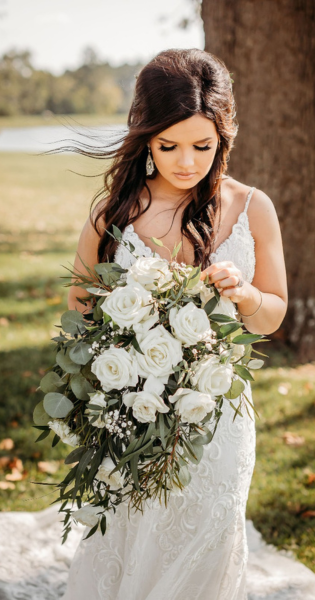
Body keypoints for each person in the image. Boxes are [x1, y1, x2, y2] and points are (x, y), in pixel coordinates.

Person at [63, 48, 288, 600]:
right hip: (132, 408)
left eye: (201, 146)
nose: (186, 162)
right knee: (137, 540)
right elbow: (79, 308)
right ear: (146, 137)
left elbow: (274, 314)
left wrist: (245, 292)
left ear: (225, 136)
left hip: (220, 417)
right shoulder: (114, 213)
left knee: (207, 541)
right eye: (168, 146)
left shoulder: (253, 208)